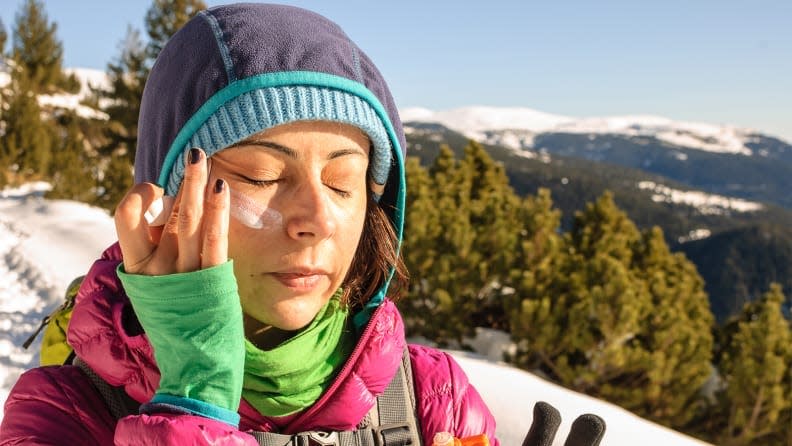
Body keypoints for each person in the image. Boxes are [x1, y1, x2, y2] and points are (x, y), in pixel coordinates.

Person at [0, 3, 499, 445]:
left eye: (344, 182)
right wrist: (195, 393)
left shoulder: (434, 401)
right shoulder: (59, 415)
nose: (319, 220)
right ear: (163, 204)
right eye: (262, 177)